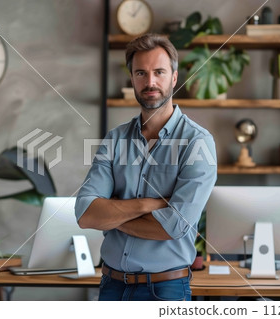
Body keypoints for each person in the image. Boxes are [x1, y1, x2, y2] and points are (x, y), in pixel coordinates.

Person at [75, 33, 217, 301]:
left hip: (165, 290)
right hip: (112, 287)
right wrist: (147, 205)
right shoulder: (115, 139)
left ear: (174, 78)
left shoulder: (197, 143)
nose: (150, 82)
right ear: (132, 78)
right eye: (141, 73)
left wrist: (114, 214)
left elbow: (173, 227)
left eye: (159, 72)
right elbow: (86, 214)